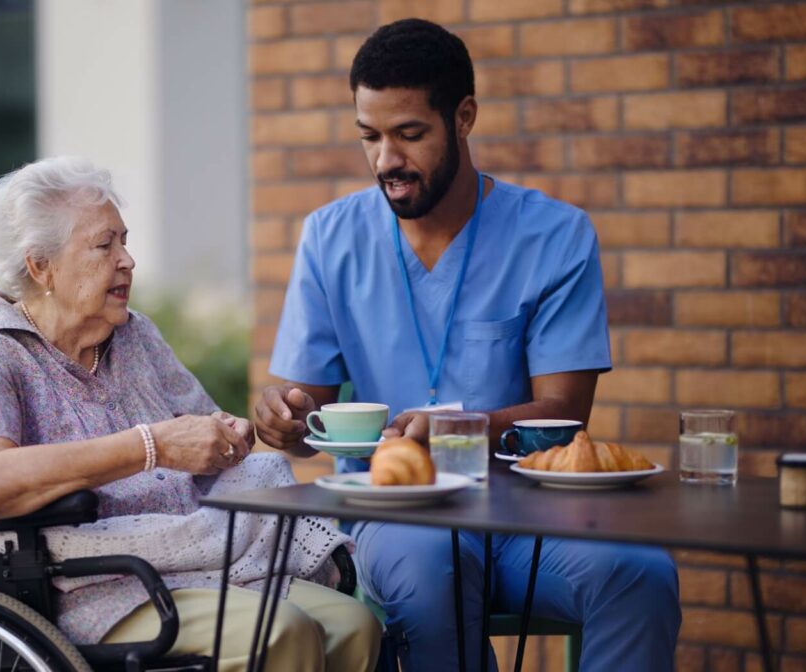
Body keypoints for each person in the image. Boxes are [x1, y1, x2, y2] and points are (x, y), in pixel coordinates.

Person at [255, 18, 681, 672]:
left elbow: (566, 413)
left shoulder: (555, 235)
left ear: (464, 117)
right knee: (427, 576)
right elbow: (305, 400)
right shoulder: (329, 237)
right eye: (370, 137)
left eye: (410, 134)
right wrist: (280, 417)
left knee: (641, 575)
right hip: (396, 517)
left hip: (529, 519)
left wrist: (458, 428)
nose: (386, 160)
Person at [0, 156, 380, 672]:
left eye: (125, 240)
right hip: (85, 587)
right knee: (279, 634)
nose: (128, 260)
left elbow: (209, 435)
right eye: (105, 245)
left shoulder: (134, 335)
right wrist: (152, 446)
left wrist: (244, 427)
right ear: (41, 266)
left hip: (188, 560)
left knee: (355, 625)